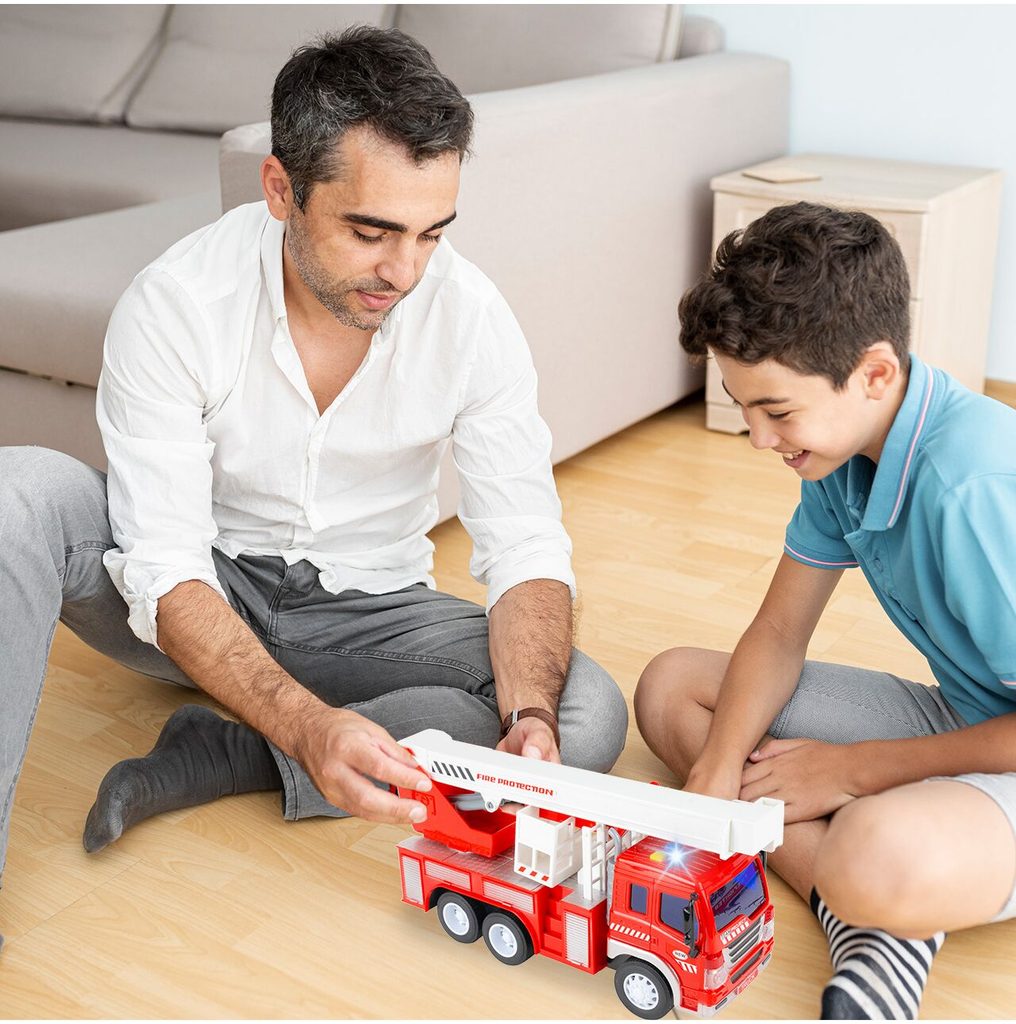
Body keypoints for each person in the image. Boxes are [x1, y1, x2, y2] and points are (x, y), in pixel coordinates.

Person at [0, 26, 628, 936]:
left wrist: (528, 713)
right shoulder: (178, 303)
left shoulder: (470, 316)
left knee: (584, 712)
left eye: (430, 233)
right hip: (198, 592)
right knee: (17, 489)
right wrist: (306, 722)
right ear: (280, 189)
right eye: (371, 232)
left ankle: (234, 752)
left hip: (365, 612)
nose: (404, 271)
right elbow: (167, 569)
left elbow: (526, 542)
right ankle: (288, 732)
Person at [634, 202, 1016, 1021]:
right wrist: (714, 778)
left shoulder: (973, 489)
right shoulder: (841, 454)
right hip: (975, 717)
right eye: (743, 408)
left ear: (874, 373)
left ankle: (866, 894)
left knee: (873, 853)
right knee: (673, 689)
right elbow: (778, 634)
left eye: (776, 411)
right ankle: (874, 929)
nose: (758, 438)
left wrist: (852, 769)